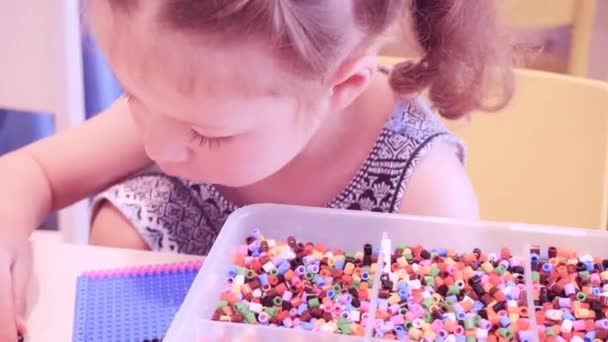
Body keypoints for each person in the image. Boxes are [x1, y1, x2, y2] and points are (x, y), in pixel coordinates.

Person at [0, 0, 513, 339]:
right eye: (133, 95)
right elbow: (31, 172)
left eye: (208, 134)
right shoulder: (185, 103)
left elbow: (455, 318)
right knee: (122, 225)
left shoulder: (426, 191)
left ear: (338, 89)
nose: (157, 145)